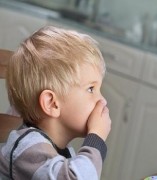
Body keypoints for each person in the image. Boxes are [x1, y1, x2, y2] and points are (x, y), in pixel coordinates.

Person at [0, 26, 112, 179]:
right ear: (52, 103)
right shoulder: (28, 149)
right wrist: (96, 138)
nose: (102, 100)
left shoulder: (60, 152)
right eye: (91, 89)